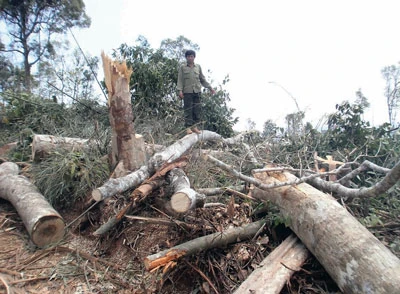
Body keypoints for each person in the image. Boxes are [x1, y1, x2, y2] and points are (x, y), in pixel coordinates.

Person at [177, 49, 215, 134]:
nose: (190, 58)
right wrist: (180, 91)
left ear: (194, 57)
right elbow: (180, 80)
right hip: (187, 92)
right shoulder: (182, 67)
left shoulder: (198, 67)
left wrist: (210, 88)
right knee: (188, 110)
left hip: (197, 91)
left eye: (192, 56)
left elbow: (202, 79)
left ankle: (194, 127)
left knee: (197, 110)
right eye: (188, 56)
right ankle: (188, 128)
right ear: (186, 57)